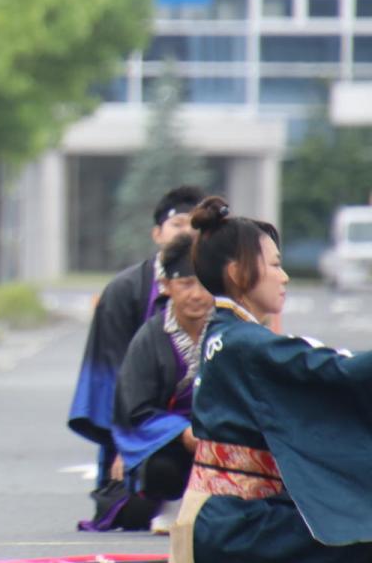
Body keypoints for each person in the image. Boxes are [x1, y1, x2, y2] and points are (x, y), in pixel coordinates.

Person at [167, 197, 372, 563]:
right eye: (275, 265)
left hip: (228, 515)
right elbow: (332, 372)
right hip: (236, 523)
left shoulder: (228, 334)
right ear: (237, 272)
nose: (284, 276)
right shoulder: (243, 342)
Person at [68, 184, 206, 488]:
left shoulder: (222, 287)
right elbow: (110, 374)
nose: (187, 233)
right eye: (177, 224)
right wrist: (124, 444)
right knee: (149, 483)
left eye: (196, 226)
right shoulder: (125, 291)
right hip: (144, 422)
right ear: (157, 234)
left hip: (207, 428)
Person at [111, 233, 213, 534]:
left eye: (203, 283)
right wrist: (181, 432)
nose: (196, 294)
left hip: (220, 433)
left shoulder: (228, 329)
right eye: (185, 284)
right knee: (161, 471)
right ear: (166, 286)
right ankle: (171, 504)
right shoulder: (149, 338)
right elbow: (135, 409)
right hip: (171, 442)